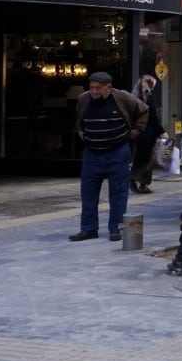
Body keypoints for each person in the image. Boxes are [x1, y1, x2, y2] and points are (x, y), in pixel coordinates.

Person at [71, 72, 147, 242]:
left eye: (98, 88)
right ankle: (89, 229)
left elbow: (144, 110)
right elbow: (80, 118)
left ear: (108, 88)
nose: (94, 91)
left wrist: (136, 131)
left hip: (117, 152)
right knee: (88, 192)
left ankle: (116, 228)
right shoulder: (84, 99)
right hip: (92, 154)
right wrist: (82, 133)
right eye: (91, 88)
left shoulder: (122, 98)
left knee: (118, 192)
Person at [129, 74, 168, 194]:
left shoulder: (133, 97)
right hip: (148, 133)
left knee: (139, 158)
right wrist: (162, 131)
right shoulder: (148, 97)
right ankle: (139, 182)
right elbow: (153, 117)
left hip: (137, 132)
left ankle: (137, 180)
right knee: (148, 160)